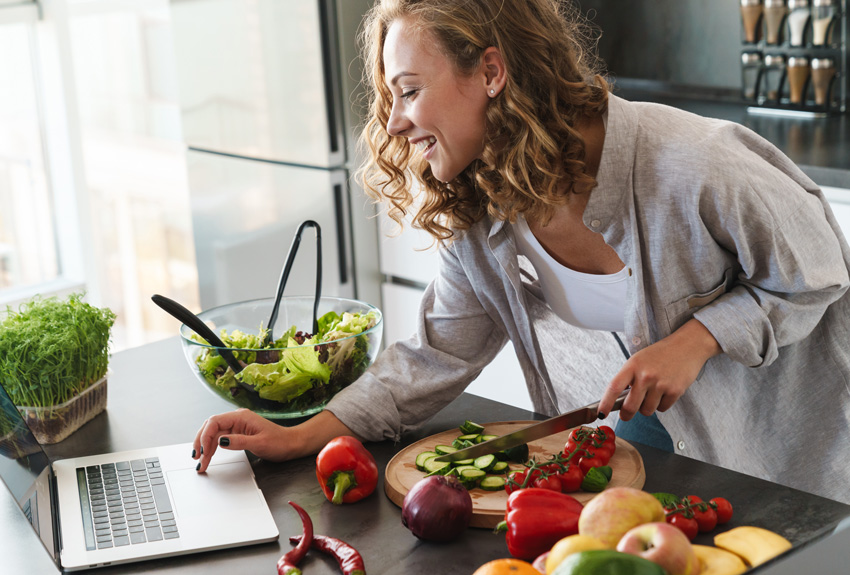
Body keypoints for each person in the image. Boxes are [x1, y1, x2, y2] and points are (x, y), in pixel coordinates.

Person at [193, 0, 850, 503]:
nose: (393, 122)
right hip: (653, 464)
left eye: (410, 89)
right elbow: (434, 354)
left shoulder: (693, 165)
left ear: (490, 71)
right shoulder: (482, 211)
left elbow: (822, 273)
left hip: (795, 474)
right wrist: (301, 434)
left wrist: (698, 338)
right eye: (391, 96)